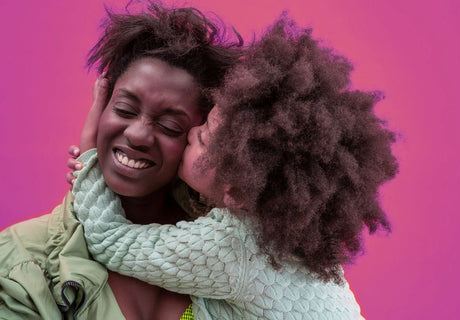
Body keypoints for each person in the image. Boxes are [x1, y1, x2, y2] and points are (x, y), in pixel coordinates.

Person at [69, 15, 398, 319]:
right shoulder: (285, 234)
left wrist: (89, 155)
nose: (192, 132)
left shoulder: (228, 247)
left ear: (238, 190)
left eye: (204, 137)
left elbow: (110, 240)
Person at [0, 2, 242, 319]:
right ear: (101, 107)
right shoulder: (22, 259)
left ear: (202, 137)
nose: (139, 135)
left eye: (170, 126)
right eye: (125, 110)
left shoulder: (233, 253)